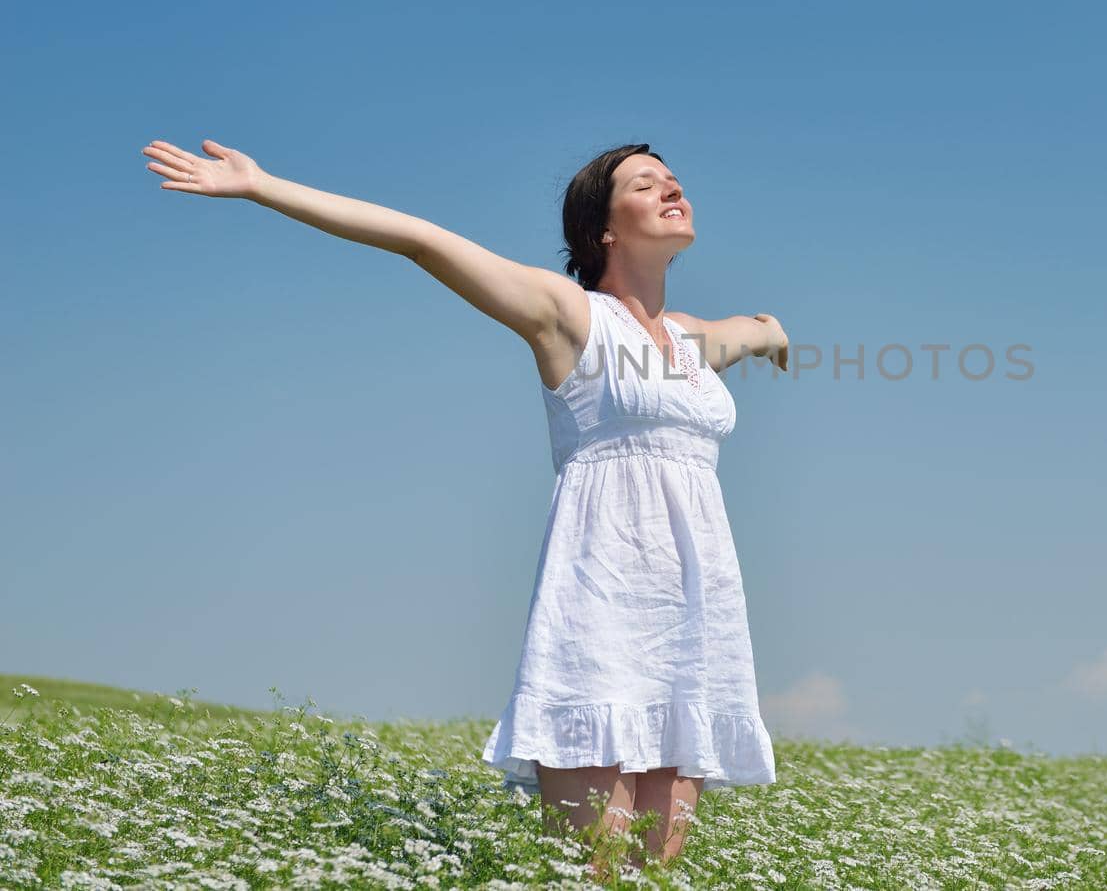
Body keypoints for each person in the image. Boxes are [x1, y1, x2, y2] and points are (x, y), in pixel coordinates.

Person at [141, 138, 788, 874]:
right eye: (647, 185)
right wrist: (262, 187)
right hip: (602, 616)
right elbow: (420, 241)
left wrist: (772, 332)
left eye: (675, 181)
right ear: (602, 228)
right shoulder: (567, 314)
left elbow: (750, 331)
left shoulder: (687, 341)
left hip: (692, 624)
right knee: (595, 871)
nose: (674, 191)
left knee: (659, 872)